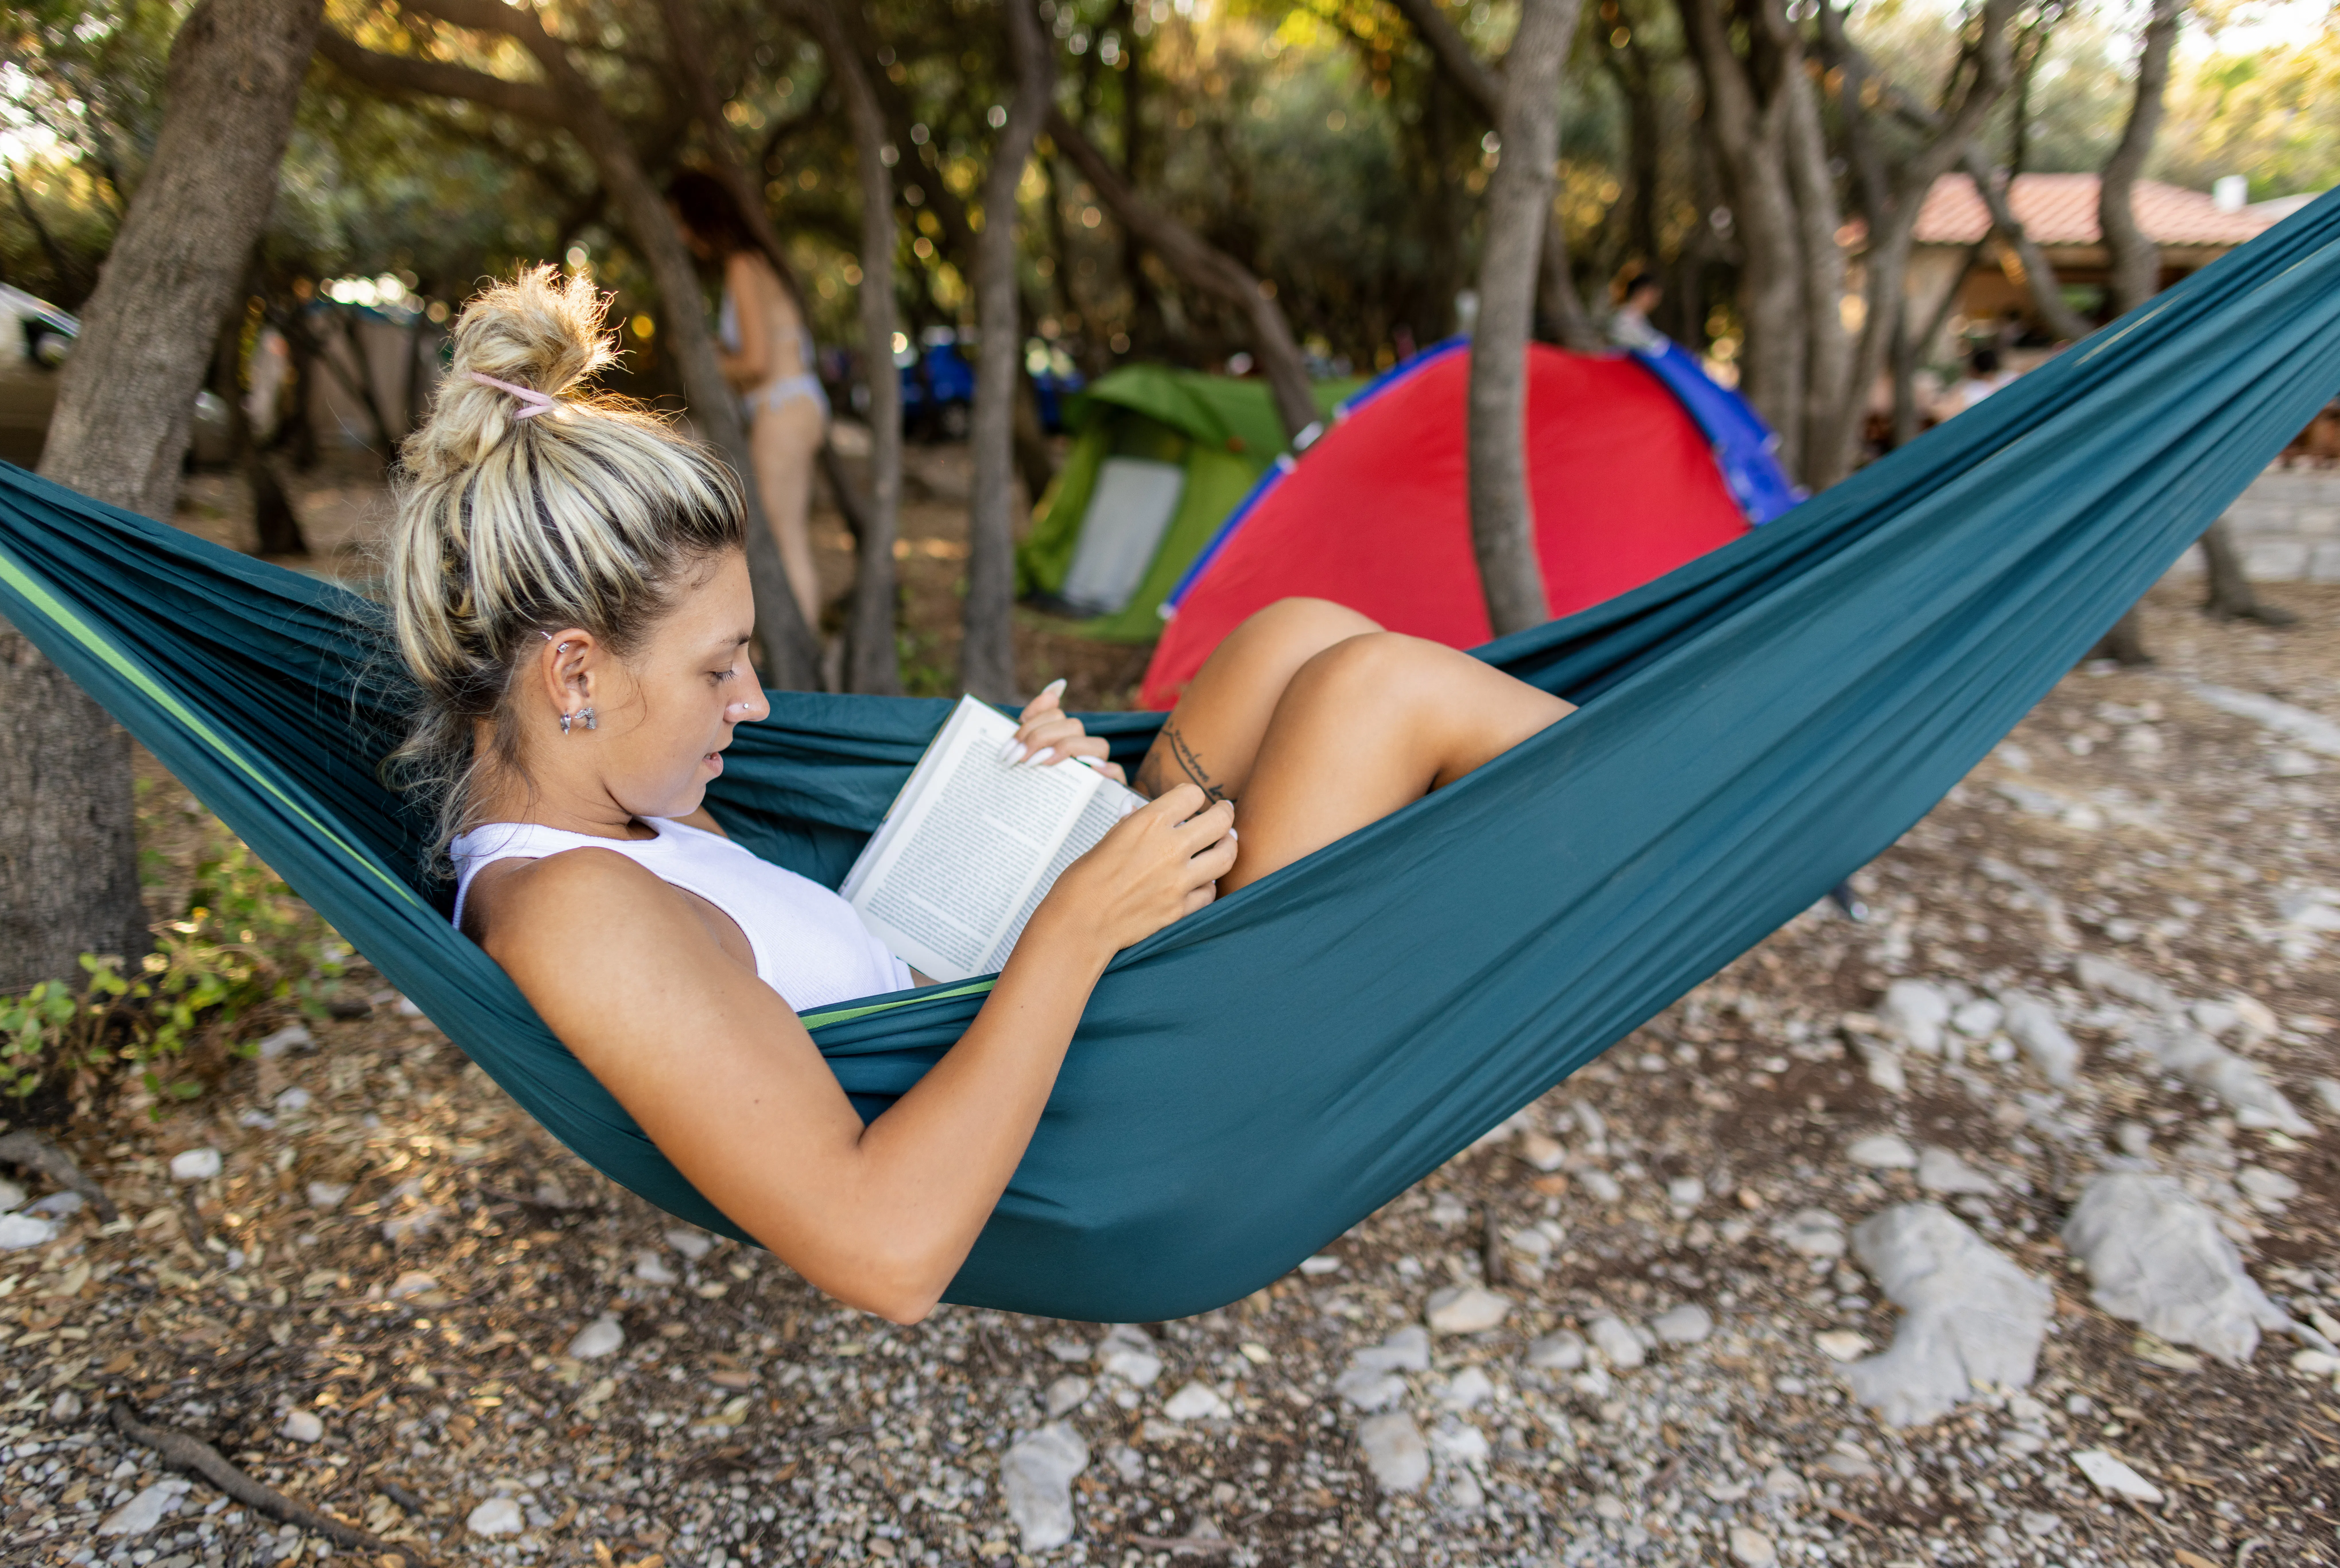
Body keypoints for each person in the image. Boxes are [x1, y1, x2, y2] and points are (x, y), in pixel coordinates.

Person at [387, 269, 1574, 1324]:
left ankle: (1637, 806)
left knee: (1291, 637)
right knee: (1374, 692)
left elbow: (823, 963)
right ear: (576, 671)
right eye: (716, 667)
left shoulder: (619, 803)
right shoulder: (574, 912)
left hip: (1027, 996)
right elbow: (887, 1253)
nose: (752, 705)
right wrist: (1078, 923)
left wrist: (1036, 817)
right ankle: (1666, 831)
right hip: (1126, 1117)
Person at [667, 170, 828, 622]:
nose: (680, 235)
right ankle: (798, 652)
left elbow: (757, 363)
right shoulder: (757, 263)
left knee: (784, 540)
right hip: (794, 405)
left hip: (782, 409)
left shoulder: (742, 264)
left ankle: (798, 660)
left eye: (682, 222)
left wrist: (703, 358)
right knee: (789, 537)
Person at [1607, 273, 1667, 353]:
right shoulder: (1627, 316)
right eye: (1653, 295)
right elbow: (1647, 343)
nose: (1656, 301)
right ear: (1639, 292)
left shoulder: (1638, 317)